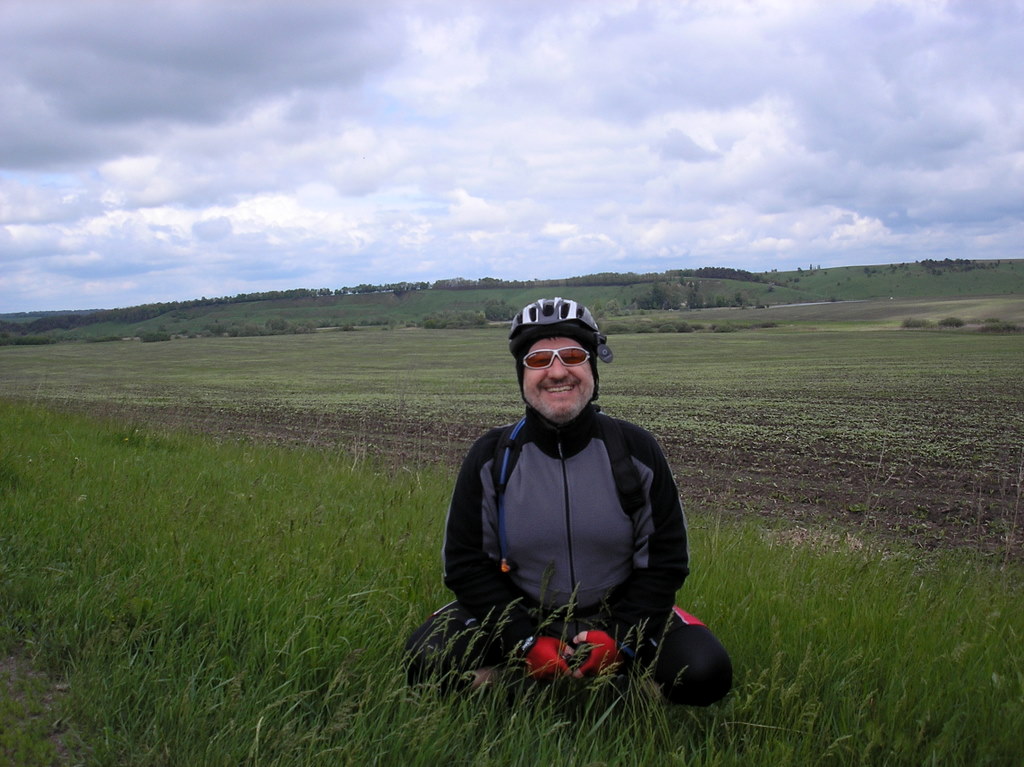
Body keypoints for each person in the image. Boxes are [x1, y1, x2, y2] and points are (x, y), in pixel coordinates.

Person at [405, 297, 731, 705]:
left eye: (573, 356)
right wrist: (522, 641)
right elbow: (465, 565)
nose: (557, 371)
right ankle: (519, 685)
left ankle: (620, 694)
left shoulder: (635, 450)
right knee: (426, 661)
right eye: (539, 359)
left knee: (704, 672)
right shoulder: (492, 457)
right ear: (522, 374)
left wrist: (619, 638)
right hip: (523, 615)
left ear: (593, 367)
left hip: (618, 615)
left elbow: (665, 562)